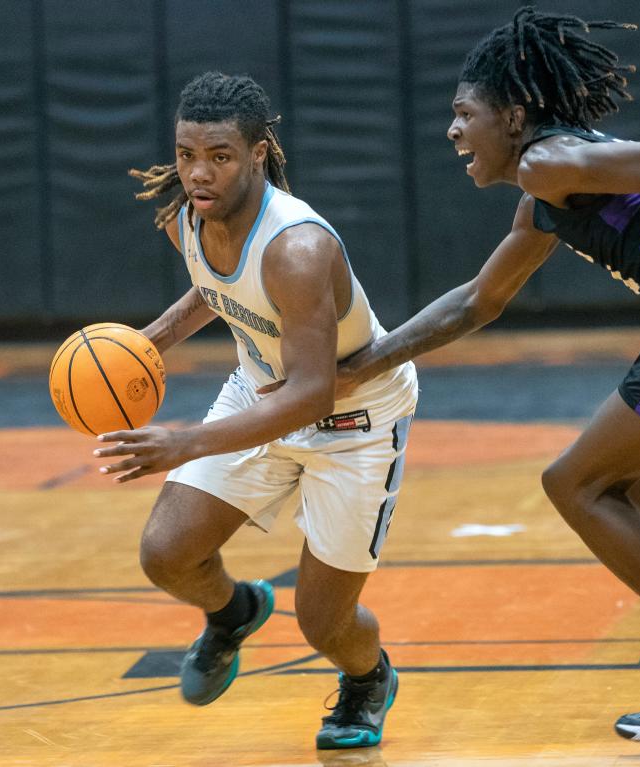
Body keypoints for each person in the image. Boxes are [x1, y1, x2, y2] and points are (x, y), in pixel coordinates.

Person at [337, 7, 640, 745]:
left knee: (573, 483)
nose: (453, 131)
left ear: (515, 115)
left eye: (465, 114)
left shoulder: (544, 161)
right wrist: (365, 363)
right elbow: (477, 301)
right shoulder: (543, 196)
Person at [93, 72, 418, 751]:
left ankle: (369, 677)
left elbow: (313, 394)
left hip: (351, 421)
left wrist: (185, 441)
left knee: (324, 623)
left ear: (259, 153)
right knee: (167, 553)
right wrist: (145, 345)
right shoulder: (190, 216)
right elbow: (214, 291)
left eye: (219, 155)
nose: (197, 173)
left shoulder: (298, 249)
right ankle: (234, 611)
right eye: (186, 154)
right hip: (261, 388)